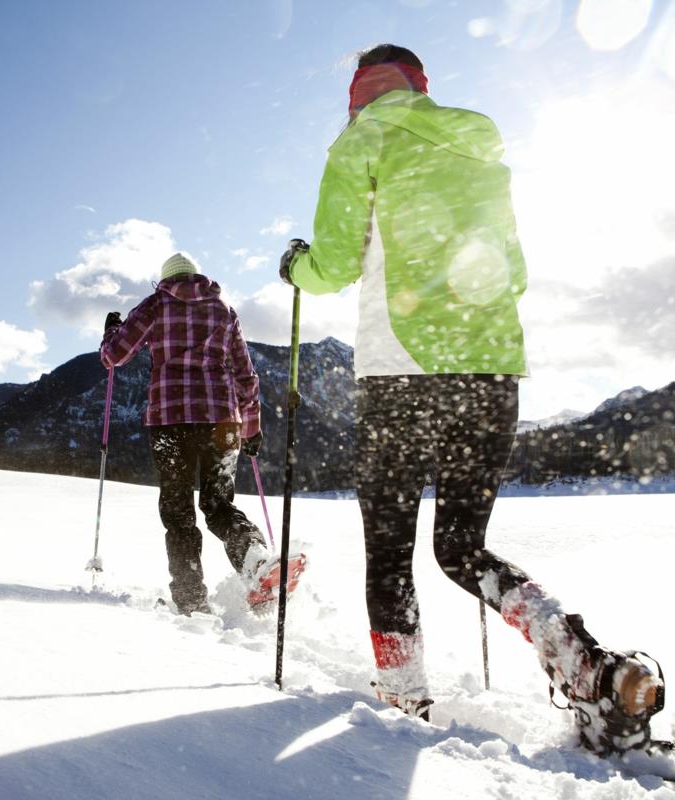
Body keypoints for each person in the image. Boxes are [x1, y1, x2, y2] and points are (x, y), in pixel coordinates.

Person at [279, 44, 664, 753]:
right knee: (461, 546)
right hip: (489, 374)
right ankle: (587, 666)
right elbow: (510, 270)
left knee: (390, 550)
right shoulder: (479, 141)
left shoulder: (361, 142)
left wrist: (296, 265)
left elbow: (331, 265)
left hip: (400, 376)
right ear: (422, 86)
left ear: (359, 93)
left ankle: (401, 694)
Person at [100, 252, 270, 616]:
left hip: (170, 421)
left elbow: (115, 356)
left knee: (179, 513)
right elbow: (245, 373)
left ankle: (191, 600)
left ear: (165, 279)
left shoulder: (155, 305)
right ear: (197, 276)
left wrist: (111, 330)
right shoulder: (223, 310)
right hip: (223, 420)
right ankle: (256, 559)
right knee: (218, 505)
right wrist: (252, 425)